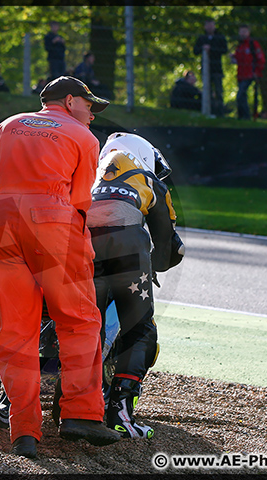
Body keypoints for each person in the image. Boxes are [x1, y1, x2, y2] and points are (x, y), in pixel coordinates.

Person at [0, 76, 121, 459]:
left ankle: (24, 432)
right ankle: (81, 414)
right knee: (79, 320)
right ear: (68, 101)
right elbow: (81, 201)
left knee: (14, 332)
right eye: (89, 106)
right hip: (52, 224)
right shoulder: (83, 138)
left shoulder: (7, 125)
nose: (92, 115)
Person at [88, 132, 185, 439]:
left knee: (83, 323)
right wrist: (156, 264)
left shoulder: (86, 171)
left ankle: (74, 404)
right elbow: (169, 247)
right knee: (140, 328)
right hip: (126, 248)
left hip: (77, 246)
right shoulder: (148, 180)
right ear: (143, 156)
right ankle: (120, 415)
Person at [192, 18, 228, 116]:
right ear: (205, 26)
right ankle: (209, 111)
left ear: (214, 26)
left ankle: (220, 113)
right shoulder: (202, 38)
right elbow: (195, 51)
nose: (209, 27)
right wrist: (203, 48)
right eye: (207, 25)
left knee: (218, 91)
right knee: (207, 91)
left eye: (211, 25)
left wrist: (212, 49)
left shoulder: (220, 37)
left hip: (217, 69)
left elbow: (224, 50)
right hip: (206, 70)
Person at [230, 24, 265, 120]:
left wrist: (257, 72)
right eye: (241, 31)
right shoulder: (239, 46)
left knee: (240, 95)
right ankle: (242, 117)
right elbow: (238, 59)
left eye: (245, 31)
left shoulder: (253, 44)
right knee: (242, 96)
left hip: (250, 74)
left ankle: (246, 116)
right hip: (241, 75)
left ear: (248, 32)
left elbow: (261, 59)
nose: (243, 33)